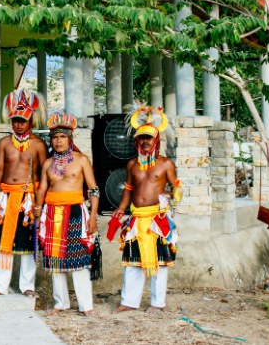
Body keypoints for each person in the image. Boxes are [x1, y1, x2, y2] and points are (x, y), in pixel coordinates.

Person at [113, 107, 180, 314]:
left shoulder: (166, 164)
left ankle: (157, 303)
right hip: (136, 218)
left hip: (156, 220)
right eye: (141, 137)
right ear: (137, 140)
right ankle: (129, 301)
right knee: (133, 262)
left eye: (149, 138)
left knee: (159, 263)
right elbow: (128, 189)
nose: (145, 141)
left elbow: (175, 186)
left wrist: (174, 197)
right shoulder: (132, 164)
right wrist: (121, 208)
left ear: (156, 139)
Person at [33, 113, 99, 317]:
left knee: (79, 259)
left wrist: (93, 217)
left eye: (62, 136)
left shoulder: (81, 160)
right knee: (55, 260)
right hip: (51, 213)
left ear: (70, 138)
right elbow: (42, 190)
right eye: (54, 137)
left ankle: (85, 305)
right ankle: (60, 303)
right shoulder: (48, 163)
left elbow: (93, 189)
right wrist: (37, 207)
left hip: (75, 212)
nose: (58, 141)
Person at [0, 89, 48, 295]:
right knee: (5, 242)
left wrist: (40, 203)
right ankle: (0, 286)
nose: (18, 124)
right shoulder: (4, 143)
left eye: (23, 120)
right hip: (5, 197)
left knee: (28, 243)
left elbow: (41, 176)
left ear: (31, 121)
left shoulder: (39, 145)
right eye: (15, 120)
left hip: (28, 199)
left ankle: (27, 286)